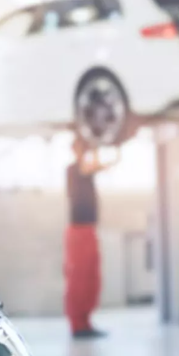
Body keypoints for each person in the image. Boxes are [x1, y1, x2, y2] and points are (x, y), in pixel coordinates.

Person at [65, 136, 119, 339]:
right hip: (78, 231)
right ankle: (77, 325)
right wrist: (94, 147)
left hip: (88, 229)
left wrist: (114, 151)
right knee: (79, 278)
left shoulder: (87, 168)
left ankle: (85, 323)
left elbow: (106, 166)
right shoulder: (74, 168)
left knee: (91, 278)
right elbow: (90, 166)